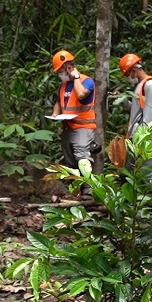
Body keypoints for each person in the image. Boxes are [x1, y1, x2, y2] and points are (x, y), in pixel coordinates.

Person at [51, 49, 97, 195]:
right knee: (70, 161)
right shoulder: (63, 86)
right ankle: (76, 190)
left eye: (61, 71)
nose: (60, 74)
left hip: (83, 126)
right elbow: (59, 102)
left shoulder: (86, 81)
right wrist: (55, 114)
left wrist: (76, 77)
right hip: (67, 127)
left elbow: (82, 94)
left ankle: (89, 190)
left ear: (69, 68)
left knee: (82, 157)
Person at [118, 53, 152, 137]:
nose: (128, 78)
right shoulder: (140, 85)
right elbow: (137, 110)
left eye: (127, 75)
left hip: (142, 137)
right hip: (135, 136)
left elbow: (149, 116)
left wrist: (142, 138)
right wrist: (123, 100)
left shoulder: (150, 85)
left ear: (134, 70)